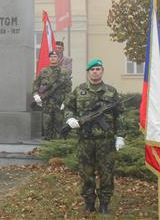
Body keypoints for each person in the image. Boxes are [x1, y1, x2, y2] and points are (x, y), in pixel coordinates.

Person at [63, 58, 125, 214]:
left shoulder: (111, 91)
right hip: (85, 140)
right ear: (88, 72)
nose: (95, 72)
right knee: (86, 173)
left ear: (102, 71)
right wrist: (70, 118)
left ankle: (104, 203)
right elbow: (68, 107)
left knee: (106, 173)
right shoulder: (79, 90)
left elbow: (120, 115)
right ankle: (89, 202)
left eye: (98, 69)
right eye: (92, 69)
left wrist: (121, 136)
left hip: (106, 141)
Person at [32, 51, 71, 140]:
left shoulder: (64, 72)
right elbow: (36, 84)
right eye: (51, 56)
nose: (53, 58)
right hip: (47, 103)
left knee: (59, 125)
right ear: (49, 58)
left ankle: (58, 147)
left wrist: (66, 102)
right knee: (47, 125)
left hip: (59, 103)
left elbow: (68, 89)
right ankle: (47, 147)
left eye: (55, 56)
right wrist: (36, 95)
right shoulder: (43, 71)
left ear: (58, 58)